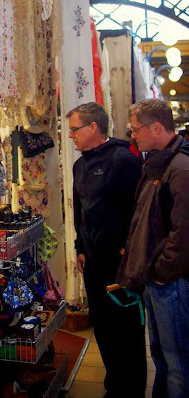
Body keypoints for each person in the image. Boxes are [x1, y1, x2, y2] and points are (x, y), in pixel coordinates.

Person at [67, 102, 146, 398]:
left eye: (75, 129)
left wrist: (128, 248)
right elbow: (80, 211)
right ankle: (114, 387)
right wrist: (80, 246)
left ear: (93, 128)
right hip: (93, 262)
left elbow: (139, 210)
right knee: (103, 327)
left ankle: (131, 390)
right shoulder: (79, 166)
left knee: (126, 329)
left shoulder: (123, 159)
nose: (71, 135)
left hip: (120, 263)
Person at [117, 99, 189, 398]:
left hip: (171, 282)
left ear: (156, 128)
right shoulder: (159, 162)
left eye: (136, 129)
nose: (133, 135)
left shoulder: (180, 168)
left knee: (177, 363)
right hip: (158, 279)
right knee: (162, 357)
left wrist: (162, 272)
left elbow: (184, 233)